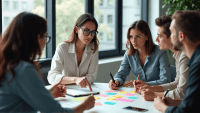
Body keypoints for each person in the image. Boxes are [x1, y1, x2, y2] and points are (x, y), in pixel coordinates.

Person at [0, 12, 95, 113]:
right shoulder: (24, 69)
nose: (45, 42)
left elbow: (22, 101)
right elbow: (57, 112)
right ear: (36, 38)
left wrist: (48, 94)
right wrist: (84, 106)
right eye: (45, 37)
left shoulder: (10, 64)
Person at [154, 10, 200, 113]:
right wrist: (176, 102)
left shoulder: (197, 65)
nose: (170, 37)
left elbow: (184, 111)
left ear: (181, 36)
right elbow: (194, 103)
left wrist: (161, 106)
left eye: (172, 33)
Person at [109, 20, 171, 90]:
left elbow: (166, 81)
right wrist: (116, 81)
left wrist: (146, 84)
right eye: (131, 37)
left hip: (157, 92)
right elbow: (120, 75)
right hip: (140, 93)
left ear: (147, 37)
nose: (133, 41)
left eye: (137, 37)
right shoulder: (129, 54)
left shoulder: (161, 52)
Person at [140, 15, 189, 101]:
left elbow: (181, 93)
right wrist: (151, 88)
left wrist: (155, 95)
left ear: (171, 37)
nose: (156, 39)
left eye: (160, 36)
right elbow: (176, 83)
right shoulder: (178, 55)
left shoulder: (184, 57)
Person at [48, 13, 99, 91]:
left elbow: (92, 76)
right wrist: (75, 80)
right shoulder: (62, 47)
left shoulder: (93, 48)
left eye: (93, 32)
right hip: (64, 92)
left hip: (84, 91)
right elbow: (52, 77)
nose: (90, 36)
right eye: (86, 31)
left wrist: (78, 81)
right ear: (76, 29)